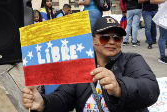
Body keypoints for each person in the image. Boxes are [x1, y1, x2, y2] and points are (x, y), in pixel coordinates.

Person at [22, 16, 159, 112]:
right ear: (93, 39)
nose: (112, 41)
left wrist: (119, 87)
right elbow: (64, 97)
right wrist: (43, 103)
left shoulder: (132, 59)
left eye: (117, 38)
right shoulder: (80, 66)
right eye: (105, 37)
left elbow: (151, 89)